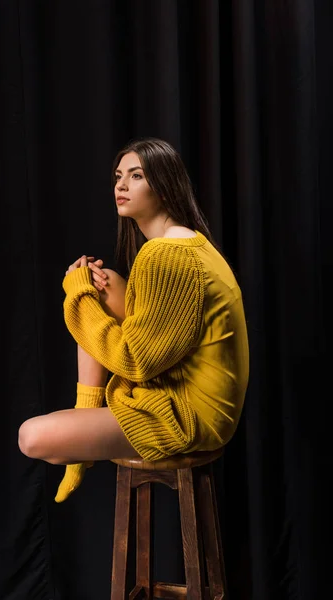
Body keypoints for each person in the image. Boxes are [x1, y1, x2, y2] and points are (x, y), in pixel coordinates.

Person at [18, 137, 250, 503]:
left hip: (190, 416)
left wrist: (76, 293)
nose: (121, 186)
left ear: (164, 184)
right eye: (118, 176)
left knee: (31, 437)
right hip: (191, 395)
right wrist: (87, 292)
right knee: (102, 283)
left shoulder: (166, 256)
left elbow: (136, 362)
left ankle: (79, 448)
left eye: (137, 176)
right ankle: (87, 413)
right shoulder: (187, 242)